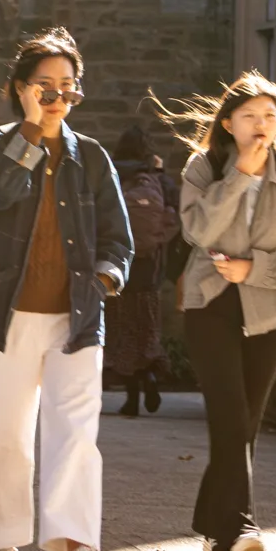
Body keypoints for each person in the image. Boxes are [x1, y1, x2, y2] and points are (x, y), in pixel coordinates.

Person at [0, 26, 133, 551]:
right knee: (4, 435)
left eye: (67, 87)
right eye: (44, 86)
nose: (57, 97)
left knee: (76, 436)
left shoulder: (92, 157)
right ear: (20, 89)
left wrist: (106, 278)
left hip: (75, 319)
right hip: (4, 316)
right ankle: (2, 546)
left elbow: (118, 239)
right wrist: (32, 129)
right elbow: (1, 192)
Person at [176, 72, 276, 551]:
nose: (262, 126)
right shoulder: (205, 167)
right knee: (230, 418)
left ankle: (213, 528)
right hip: (209, 305)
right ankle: (240, 527)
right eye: (249, 117)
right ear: (229, 123)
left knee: (245, 425)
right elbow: (197, 229)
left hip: (266, 312)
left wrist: (254, 269)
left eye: (269, 115)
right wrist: (239, 175)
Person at [104, 124, 178, 419]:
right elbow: (174, 217)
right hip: (149, 267)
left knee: (122, 331)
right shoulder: (157, 179)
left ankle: (131, 398)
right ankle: (150, 375)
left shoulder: (111, 172)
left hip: (119, 264)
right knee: (146, 329)